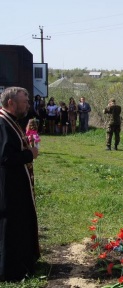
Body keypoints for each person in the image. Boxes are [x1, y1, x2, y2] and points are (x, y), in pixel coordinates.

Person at [0, 87, 40, 281]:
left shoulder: (11, 121)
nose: (28, 105)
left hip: (15, 184)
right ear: (11, 103)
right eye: (24, 101)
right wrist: (28, 154)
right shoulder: (2, 124)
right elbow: (5, 157)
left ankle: (22, 260)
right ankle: (10, 268)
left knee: (19, 222)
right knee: (10, 225)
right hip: (8, 186)